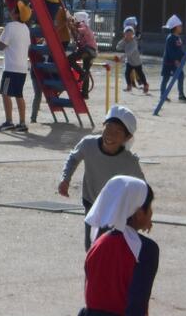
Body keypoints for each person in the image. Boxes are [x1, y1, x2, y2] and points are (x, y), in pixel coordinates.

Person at [58, 105, 145, 251]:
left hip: (115, 209)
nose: (110, 135)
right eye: (108, 128)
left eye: (118, 132)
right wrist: (65, 179)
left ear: (127, 137)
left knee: (110, 247)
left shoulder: (129, 161)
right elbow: (73, 158)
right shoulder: (88, 144)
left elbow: (142, 187)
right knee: (91, 246)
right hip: (91, 202)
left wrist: (142, 212)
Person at [80, 176, 159, 316]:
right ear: (139, 213)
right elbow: (137, 305)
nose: (152, 212)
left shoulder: (97, 242)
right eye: (150, 207)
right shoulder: (146, 249)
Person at [0, 1, 32, 133]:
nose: (11, 11)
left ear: (16, 14)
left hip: (11, 67)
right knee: (18, 94)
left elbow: (2, 45)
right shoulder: (26, 28)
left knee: (5, 93)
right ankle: (22, 122)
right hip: (22, 67)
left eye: (13, 10)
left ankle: (9, 121)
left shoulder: (10, 26)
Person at [68, 11, 98, 99]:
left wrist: (72, 26)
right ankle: (85, 93)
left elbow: (81, 30)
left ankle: (81, 73)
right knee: (86, 71)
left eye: (75, 19)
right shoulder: (84, 27)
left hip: (88, 50)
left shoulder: (82, 25)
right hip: (92, 52)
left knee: (70, 59)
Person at [161, 14, 186, 102]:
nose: (181, 28)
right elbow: (170, 51)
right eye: (180, 26)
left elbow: (179, 50)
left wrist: (184, 55)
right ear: (176, 27)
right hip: (169, 62)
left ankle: (181, 94)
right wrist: (175, 60)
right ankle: (163, 95)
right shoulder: (170, 38)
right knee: (166, 78)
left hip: (176, 62)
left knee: (180, 76)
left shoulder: (178, 38)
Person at [117, 26, 149, 93]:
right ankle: (129, 86)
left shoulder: (134, 42)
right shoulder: (125, 41)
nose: (128, 35)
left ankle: (145, 85)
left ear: (132, 34)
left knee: (140, 74)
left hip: (136, 62)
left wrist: (122, 57)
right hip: (129, 61)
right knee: (127, 73)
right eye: (127, 33)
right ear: (124, 34)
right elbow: (118, 48)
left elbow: (130, 52)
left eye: (130, 33)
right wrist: (123, 40)